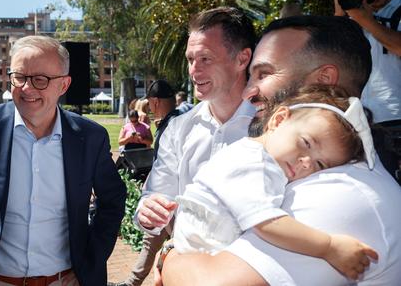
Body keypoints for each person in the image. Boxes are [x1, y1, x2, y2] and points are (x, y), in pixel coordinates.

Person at [161, 15, 401, 285]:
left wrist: (171, 257)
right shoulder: (318, 169)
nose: (247, 93)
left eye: (264, 74)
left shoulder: (341, 195)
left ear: (325, 82)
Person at [0, 35, 126, 286]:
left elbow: (112, 199)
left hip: (64, 281)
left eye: (40, 80)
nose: (27, 89)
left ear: (64, 85)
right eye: (19, 77)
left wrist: (91, 262)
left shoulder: (90, 138)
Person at [172, 85, 378, 281]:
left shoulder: (260, 158)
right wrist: (329, 247)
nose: (306, 163)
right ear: (278, 120)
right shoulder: (254, 162)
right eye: (305, 143)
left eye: (320, 164)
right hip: (200, 259)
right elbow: (268, 223)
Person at [135, 7, 256, 240]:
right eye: (190, 59)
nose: (193, 70)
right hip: (187, 267)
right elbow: (155, 196)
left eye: (205, 59)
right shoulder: (178, 129)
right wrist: (147, 211)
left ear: (242, 59)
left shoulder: (276, 125)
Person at [334, 0, 401, 182]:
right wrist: (340, 17)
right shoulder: (357, 14)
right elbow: (336, 58)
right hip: (361, 122)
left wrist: (364, 18)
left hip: (396, 118)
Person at [110, 80, 181, 286]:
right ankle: (133, 282)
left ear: (155, 101)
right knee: (152, 237)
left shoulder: (172, 126)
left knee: (178, 244)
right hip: (167, 197)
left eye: (149, 103)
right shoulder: (177, 121)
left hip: (173, 200)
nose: (149, 107)